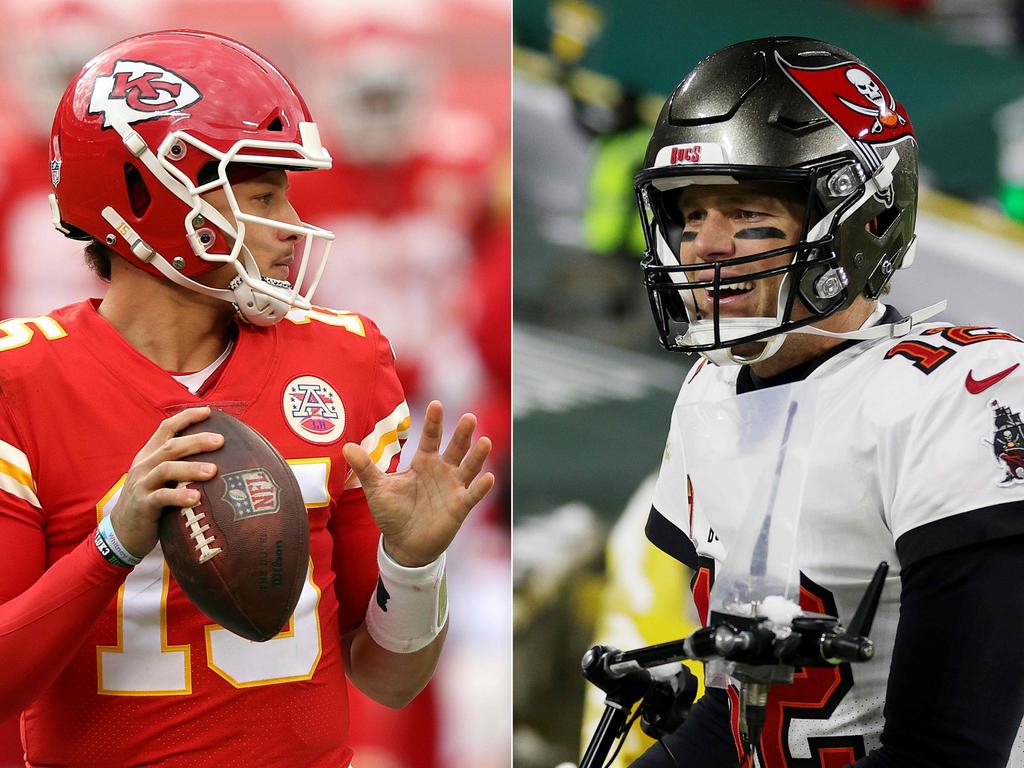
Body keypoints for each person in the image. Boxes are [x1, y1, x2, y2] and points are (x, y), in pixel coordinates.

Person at [0, 29, 494, 768]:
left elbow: (390, 680)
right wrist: (114, 542)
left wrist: (414, 566)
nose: (292, 224)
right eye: (262, 193)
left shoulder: (346, 357)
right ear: (145, 197)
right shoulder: (22, 381)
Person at [624, 36, 1024, 767]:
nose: (702, 244)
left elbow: (948, 750)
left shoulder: (963, 390)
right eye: (688, 213)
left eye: (745, 211)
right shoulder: (714, 389)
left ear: (864, 217)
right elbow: (741, 713)